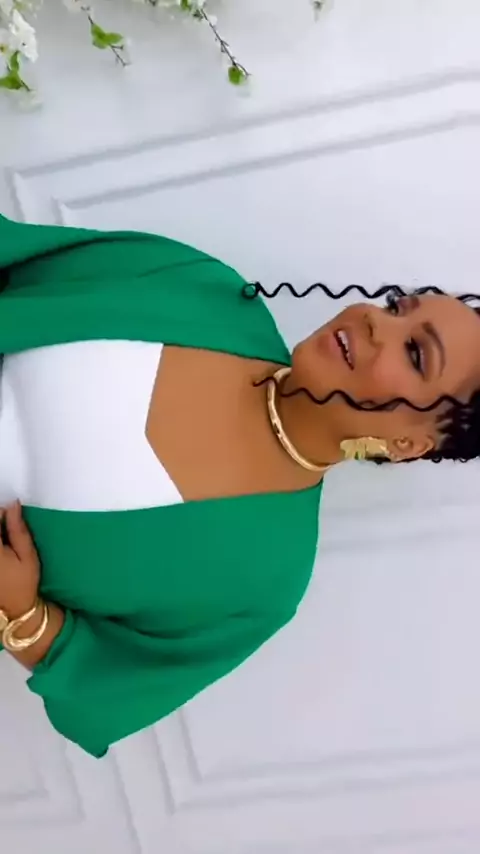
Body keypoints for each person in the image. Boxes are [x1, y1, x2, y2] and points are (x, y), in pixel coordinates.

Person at [0, 213, 478, 758]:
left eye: (415, 353)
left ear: (408, 443)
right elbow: (19, 252)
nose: (374, 321)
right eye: (396, 307)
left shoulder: (264, 581)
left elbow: (105, 689)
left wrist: (20, 611)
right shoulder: (202, 287)